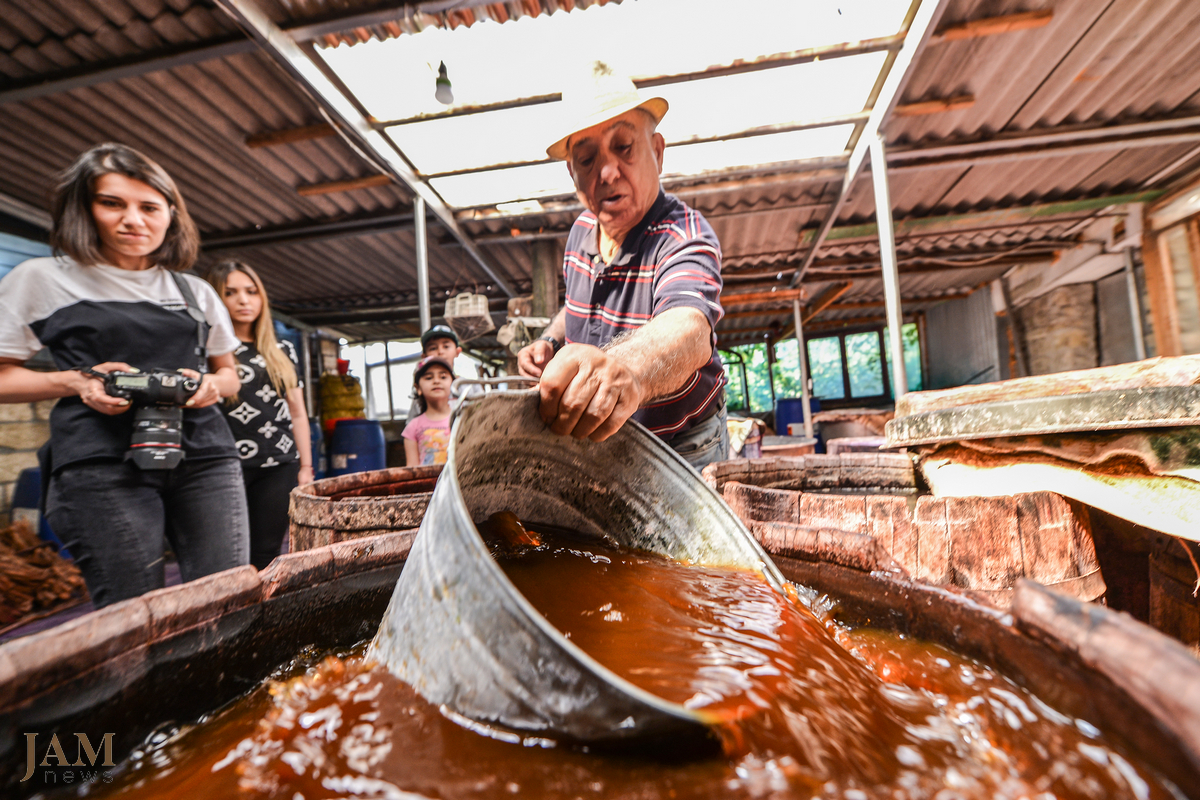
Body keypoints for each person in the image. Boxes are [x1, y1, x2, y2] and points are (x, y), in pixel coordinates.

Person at [0, 143, 249, 608]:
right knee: (134, 610)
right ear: (84, 208)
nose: (133, 220)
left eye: (149, 207)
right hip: (100, 461)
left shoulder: (192, 289)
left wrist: (209, 386)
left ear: (171, 215)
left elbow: (229, 375)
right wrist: (75, 381)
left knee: (228, 598)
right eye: (112, 203)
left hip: (204, 455)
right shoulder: (42, 279)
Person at [517, 61, 729, 470]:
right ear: (572, 172)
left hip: (683, 442)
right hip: (610, 439)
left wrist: (626, 369)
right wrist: (550, 340)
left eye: (624, 147)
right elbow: (576, 304)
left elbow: (688, 328)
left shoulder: (682, 236)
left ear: (657, 151)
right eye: (586, 158)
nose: (607, 171)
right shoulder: (581, 231)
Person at [207, 261, 314, 570]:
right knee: (229, 558)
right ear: (215, 298)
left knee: (267, 552)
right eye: (231, 292)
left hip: (279, 464)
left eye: (251, 292)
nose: (244, 300)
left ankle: (262, 616)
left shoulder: (282, 349)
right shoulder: (209, 349)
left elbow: (298, 412)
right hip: (225, 465)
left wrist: (305, 466)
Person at [404, 324, 481, 420]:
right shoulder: (424, 392)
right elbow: (413, 424)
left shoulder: (471, 386)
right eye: (433, 348)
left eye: (446, 346)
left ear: (457, 351)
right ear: (424, 356)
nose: (440, 351)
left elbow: (482, 417)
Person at [403, 357, 455, 466]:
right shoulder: (413, 427)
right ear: (418, 388)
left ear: (453, 384)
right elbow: (412, 468)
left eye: (443, 377)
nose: (436, 381)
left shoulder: (462, 420)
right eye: (429, 378)